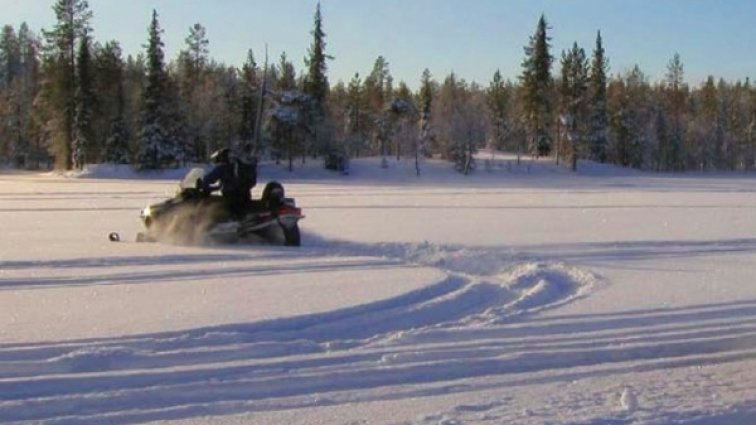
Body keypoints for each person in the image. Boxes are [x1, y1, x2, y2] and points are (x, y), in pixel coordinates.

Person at [202, 147, 257, 216]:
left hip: (229, 198)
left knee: (213, 207)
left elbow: (208, 179)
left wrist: (203, 183)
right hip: (245, 196)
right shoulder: (240, 166)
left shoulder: (222, 168)